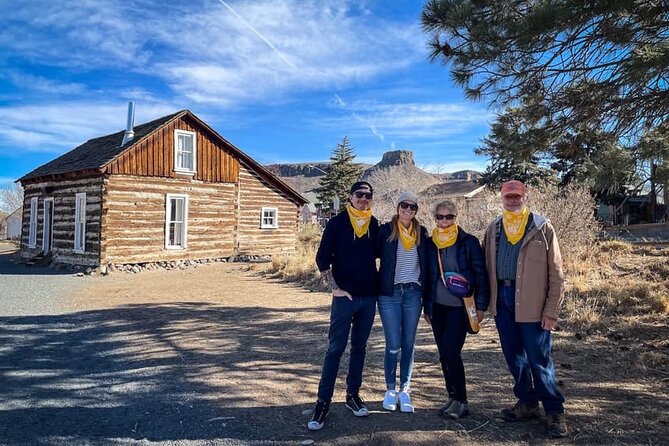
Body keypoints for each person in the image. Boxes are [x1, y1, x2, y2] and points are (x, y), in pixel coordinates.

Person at [482, 180, 568, 438]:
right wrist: (485, 304)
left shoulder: (542, 227)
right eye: (508, 196)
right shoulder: (494, 227)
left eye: (517, 196)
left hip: (532, 301)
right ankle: (528, 403)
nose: (513, 200)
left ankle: (554, 411)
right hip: (502, 298)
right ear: (502, 198)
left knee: (539, 359)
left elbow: (557, 273)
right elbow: (485, 267)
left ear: (525, 196)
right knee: (514, 357)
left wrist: (551, 311)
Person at [308, 181, 379, 431]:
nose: (363, 199)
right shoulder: (337, 223)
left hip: (369, 298)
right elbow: (322, 258)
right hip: (344, 299)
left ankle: (352, 396)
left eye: (368, 195)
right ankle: (323, 402)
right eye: (359, 194)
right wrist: (334, 288)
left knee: (359, 348)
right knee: (335, 349)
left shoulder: (374, 224)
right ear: (350, 197)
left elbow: (384, 254)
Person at [424, 199, 489, 419]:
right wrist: (427, 307)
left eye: (449, 216)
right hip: (437, 307)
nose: (444, 221)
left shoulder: (468, 242)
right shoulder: (430, 242)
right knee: (443, 355)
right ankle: (452, 397)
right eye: (440, 217)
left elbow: (480, 274)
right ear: (435, 218)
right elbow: (427, 277)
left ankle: (462, 401)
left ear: (456, 217)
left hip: (460, 308)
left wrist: (481, 306)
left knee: (452, 352)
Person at [376, 191, 429, 413]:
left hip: (413, 294)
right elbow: (367, 256)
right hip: (389, 293)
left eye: (412, 207)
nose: (408, 210)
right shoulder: (385, 231)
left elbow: (429, 264)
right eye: (404, 206)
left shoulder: (422, 232)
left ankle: (405, 389)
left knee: (409, 344)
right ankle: (390, 389)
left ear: (416, 210)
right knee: (393, 344)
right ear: (397, 207)